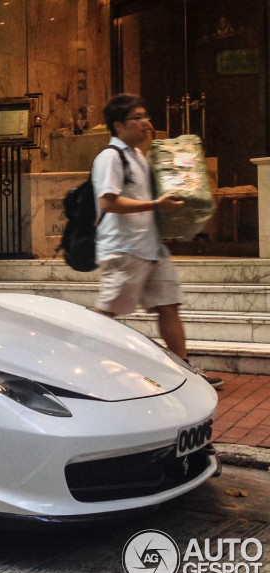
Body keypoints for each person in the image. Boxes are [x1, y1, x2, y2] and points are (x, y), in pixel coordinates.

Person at [91, 93, 221, 388]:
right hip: (124, 250)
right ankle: (82, 363)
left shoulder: (139, 156)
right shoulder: (111, 157)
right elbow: (109, 202)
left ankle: (185, 371)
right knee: (105, 315)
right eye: (137, 118)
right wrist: (155, 206)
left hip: (150, 248)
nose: (145, 123)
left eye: (145, 116)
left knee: (169, 304)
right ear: (118, 125)